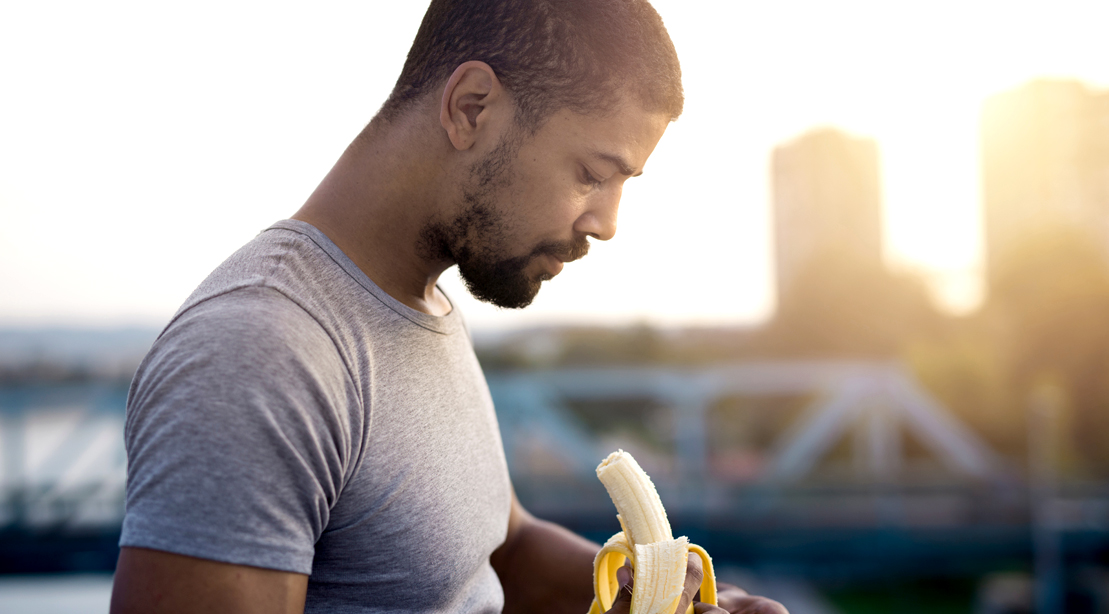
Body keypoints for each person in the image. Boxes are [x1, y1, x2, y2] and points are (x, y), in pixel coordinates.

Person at [109, 1, 788, 613]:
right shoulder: (257, 354)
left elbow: (497, 550)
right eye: (591, 173)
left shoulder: (423, 305)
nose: (606, 223)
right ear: (470, 107)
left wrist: (657, 597)